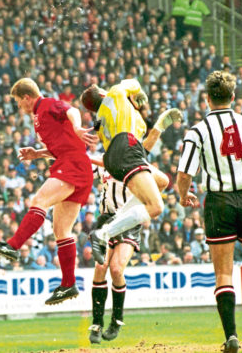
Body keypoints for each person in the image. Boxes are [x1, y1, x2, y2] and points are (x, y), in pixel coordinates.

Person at [176, 71, 242, 353]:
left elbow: (184, 172)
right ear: (233, 97)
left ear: (207, 99)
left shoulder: (197, 131)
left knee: (223, 274)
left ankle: (232, 336)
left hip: (218, 202)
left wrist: (183, 194)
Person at [0, 78, 96, 305]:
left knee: (39, 200)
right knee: (61, 230)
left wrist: (76, 126)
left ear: (27, 98)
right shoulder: (38, 115)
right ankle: (68, 284)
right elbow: (61, 144)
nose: (19, 107)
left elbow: (72, 110)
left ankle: (13, 246)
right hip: (73, 164)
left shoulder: (46, 105)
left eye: (18, 102)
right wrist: (38, 153)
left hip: (72, 164)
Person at [81, 79, 182, 265]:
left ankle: (115, 222)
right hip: (126, 148)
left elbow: (135, 152)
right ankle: (102, 233)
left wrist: (157, 125)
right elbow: (134, 82)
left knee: (162, 181)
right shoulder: (114, 93)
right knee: (156, 207)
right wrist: (139, 91)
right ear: (102, 93)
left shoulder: (104, 118)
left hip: (115, 158)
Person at [88, 116, 168, 344]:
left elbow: (160, 179)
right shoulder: (104, 163)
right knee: (100, 266)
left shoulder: (136, 162)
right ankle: (96, 323)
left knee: (115, 268)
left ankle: (116, 320)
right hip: (105, 218)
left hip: (127, 221)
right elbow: (80, 163)